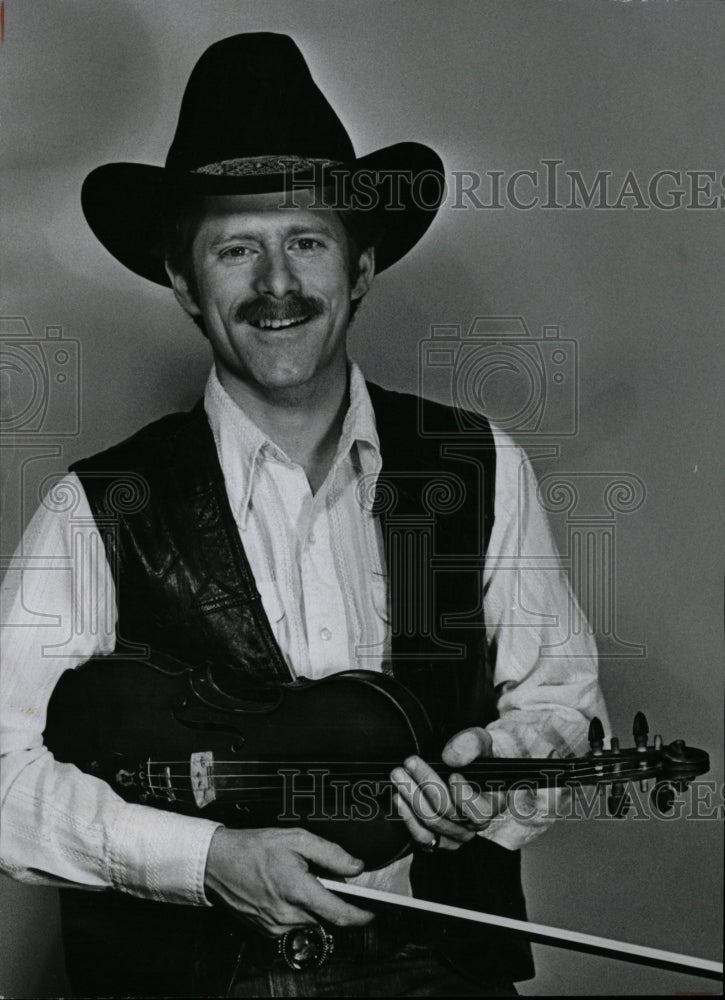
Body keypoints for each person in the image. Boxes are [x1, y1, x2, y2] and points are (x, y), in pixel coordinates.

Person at [0, 32, 608, 998]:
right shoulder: (97, 506)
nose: (276, 285)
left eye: (307, 242)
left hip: (438, 972)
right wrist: (201, 859)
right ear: (183, 284)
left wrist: (490, 775)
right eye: (236, 249)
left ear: (360, 268)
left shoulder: (477, 465)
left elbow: (561, 708)